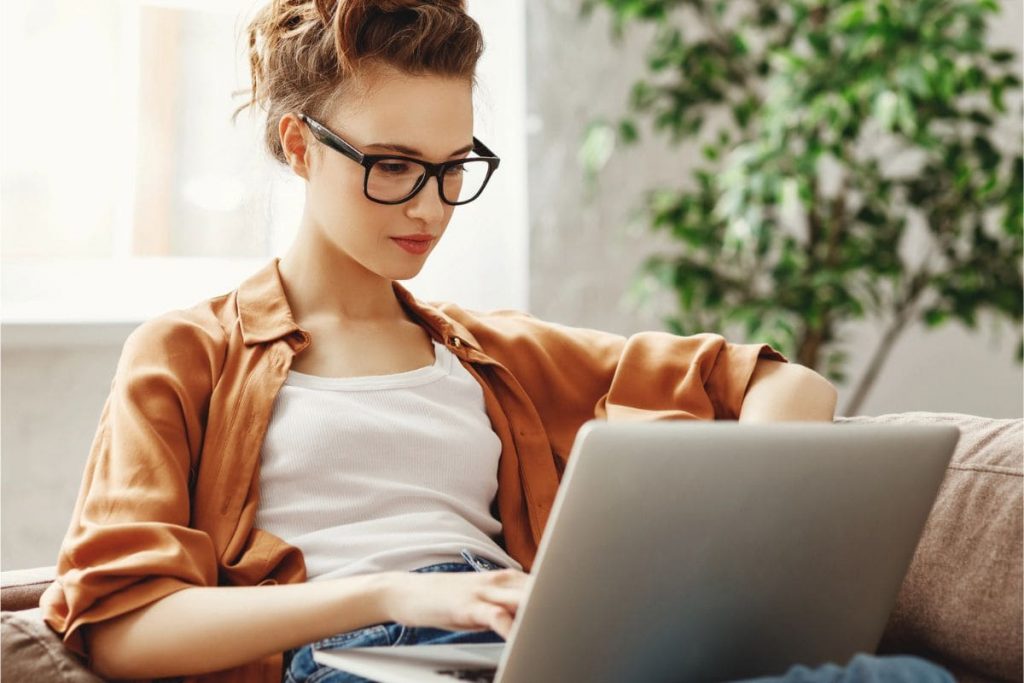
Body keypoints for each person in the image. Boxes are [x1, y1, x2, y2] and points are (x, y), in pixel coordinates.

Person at [38, 1, 954, 682]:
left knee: (905, 676)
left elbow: (783, 385)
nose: (432, 207)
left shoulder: (489, 354)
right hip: (358, 655)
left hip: (532, 643)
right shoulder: (188, 352)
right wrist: (395, 593)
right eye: (393, 167)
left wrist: (738, 549)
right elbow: (124, 627)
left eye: (453, 167)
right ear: (302, 145)